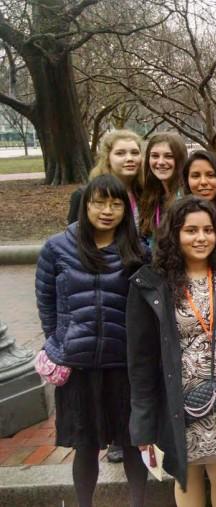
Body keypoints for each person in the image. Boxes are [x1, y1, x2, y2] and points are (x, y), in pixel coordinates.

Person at [127, 196, 216, 507]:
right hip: (180, 393)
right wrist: (143, 422)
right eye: (191, 230)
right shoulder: (151, 285)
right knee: (187, 473)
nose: (201, 238)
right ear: (174, 235)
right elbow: (141, 361)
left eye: (208, 230)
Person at [36, 175, 147, 507]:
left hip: (124, 365)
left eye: (115, 204)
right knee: (85, 446)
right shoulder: (57, 248)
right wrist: (60, 341)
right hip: (79, 366)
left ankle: (137, 502)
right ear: (85, 205)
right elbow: (46, 301)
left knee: (131, 444)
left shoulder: (139, 250)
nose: (107, 210)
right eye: (99, 202)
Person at [68, 129, 144, 227]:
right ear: (107, 158)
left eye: (135, 153)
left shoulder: (146, 193)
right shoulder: (85, 194)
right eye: (120, 153)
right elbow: (74, 237)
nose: (130, 158)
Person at [138, 132, 188, 240]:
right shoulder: (150, 197)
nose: (160, 162)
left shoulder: (187, 199)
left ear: (180, 159)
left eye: (169, 156)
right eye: (155, 156)